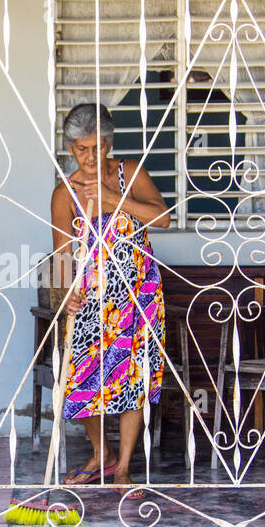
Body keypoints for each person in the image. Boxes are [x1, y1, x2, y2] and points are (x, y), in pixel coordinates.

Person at [50, 103, 170, 497]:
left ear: (108, 144)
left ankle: (123, 470)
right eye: (81, 149)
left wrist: (111, 198)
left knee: (134, 379)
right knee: (82, 380)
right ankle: (102, 453)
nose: (89, 157)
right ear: (70, 149)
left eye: (97, 148)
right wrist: (63, 294)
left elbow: (162, 218)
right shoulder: (63, 194)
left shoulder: (129, 173)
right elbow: (62, 257)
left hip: (138, 295)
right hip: (90, 300)